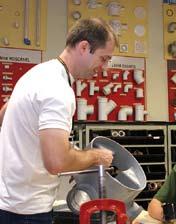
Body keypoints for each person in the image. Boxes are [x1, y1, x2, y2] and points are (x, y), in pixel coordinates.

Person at [0, 18, 118, 224]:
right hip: (26, 212)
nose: (105, 67)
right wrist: (94, 156)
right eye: (103, 58)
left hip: (7, 200)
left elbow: (4, 114)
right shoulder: (58, 89)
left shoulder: (37, 73)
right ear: (84, 47)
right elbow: (56, 162)